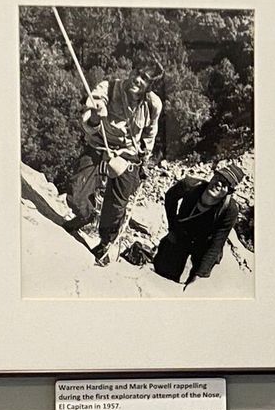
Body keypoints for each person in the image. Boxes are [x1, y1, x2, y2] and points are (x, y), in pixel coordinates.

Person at [67, 71, 164, 267]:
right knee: (76, 194)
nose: (138, 80)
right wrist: (96, 116)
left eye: (145, 79)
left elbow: (149, 134)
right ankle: (85, 215)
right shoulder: (108, 88)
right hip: (99, 145)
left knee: (117, 205)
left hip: (128, 153)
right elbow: (89, 118)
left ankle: (105, 243)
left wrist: (143, 160)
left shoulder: (153, 104)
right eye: (137, 73)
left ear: (150, 85)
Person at [152, 160, 245, 288]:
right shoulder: (190, 185)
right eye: (218, 177)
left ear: (229, 191)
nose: (218, 183)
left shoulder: (230, 210)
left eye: (225, 184)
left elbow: (217, 243)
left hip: (204, 242)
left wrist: (198, 276)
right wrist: (173, 227)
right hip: (183, 233)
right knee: (163, 271)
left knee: (197, 281)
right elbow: (170, 197)